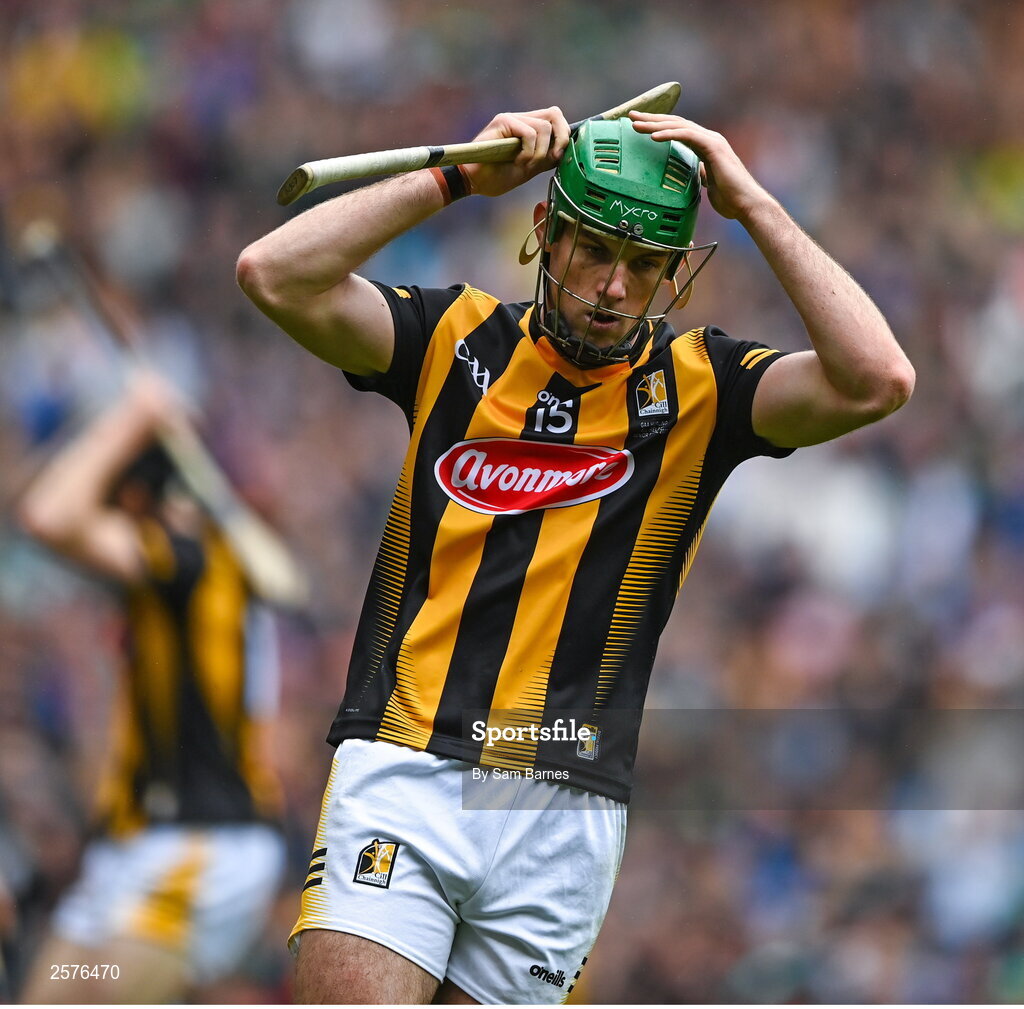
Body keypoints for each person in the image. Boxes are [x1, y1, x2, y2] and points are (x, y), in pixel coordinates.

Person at [236, 104, 914, 1004]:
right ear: (545, 237)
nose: (612, 288)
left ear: (676, 273)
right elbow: (272, 273)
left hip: (565, 807)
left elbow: (880, 378)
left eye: (643, 265)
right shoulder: (454, 339)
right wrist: (458, 177)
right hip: (408, 764)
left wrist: (752, 204)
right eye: (593, 250)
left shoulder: (704, 389)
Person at [16, 371, 288, 1004]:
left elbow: (47, 514)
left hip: (198, 847)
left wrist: (133, 412)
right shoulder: (205, 562)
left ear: (136, 496)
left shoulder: (184, 558)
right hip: (133, 854)